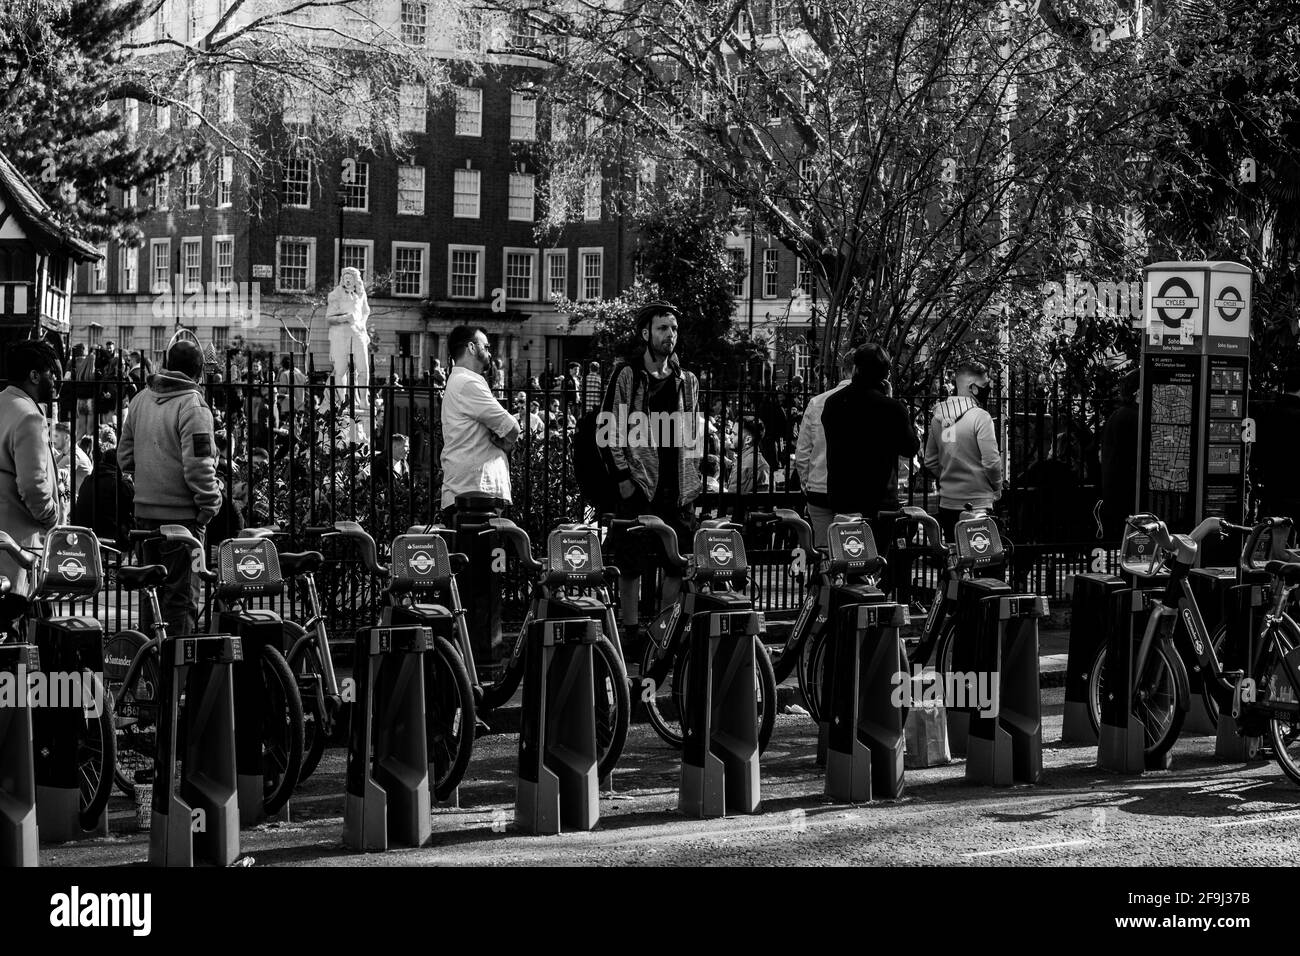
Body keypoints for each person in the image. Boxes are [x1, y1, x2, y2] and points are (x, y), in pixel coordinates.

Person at [601, 301, 702, 627]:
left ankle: (661, 630)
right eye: (662, 328)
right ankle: (629, 629)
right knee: (631, 564)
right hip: (640, 485)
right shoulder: (627, 374)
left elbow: (693, 433)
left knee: (677, 562)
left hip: (678, 488)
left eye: (673, 329)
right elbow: (608, 430)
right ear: (646, 333)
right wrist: (623, 480)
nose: (669, 335)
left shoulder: (687, 380)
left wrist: (696, 476)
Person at [118, 340, 222, 636]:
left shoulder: (140, 400)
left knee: (150, 596)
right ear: (199, 372)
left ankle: (151, 669)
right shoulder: (193, 405)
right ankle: (177, 677)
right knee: (180, 600)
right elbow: (199, 466)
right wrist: (210, 505)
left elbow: (124, 457)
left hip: (145, 517)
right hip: (183, 521)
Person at [822, 344, 920, 537]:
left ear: (856, 369)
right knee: (879, 559)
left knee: (848, 555)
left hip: (843, 497)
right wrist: (892, 403)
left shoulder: (834, 402)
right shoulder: (891, 408)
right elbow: (910, 448)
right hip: (880, 500)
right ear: (886, 376)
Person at [0, 340, 64, 593]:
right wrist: (53, 517)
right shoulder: (29, 416)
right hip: (20, 547)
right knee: (19, 626)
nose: (56, 381)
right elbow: (33, 485)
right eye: (53, 374)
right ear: (35, 376)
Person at [438, 325, 519, 521]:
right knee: (477, 551)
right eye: (486, 346)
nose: (490, 351)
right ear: (472, 348)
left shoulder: (462, 381)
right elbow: (512, 427)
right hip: (474, 495)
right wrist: (507, 443)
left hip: (474, 493)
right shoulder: (467, 383)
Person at [923, 359, 1003, 541]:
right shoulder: (980, 417)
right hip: (978, 501)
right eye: (984, 385)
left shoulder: (938, 417)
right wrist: (996, 487)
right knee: (987, 558)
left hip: (948, 501)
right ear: (972, 387)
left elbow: (930, 460)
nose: (987, 391)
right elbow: (991, 462)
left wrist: (949, 474)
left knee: (954, 554)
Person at [795, 349, 854, 547]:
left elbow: (803, 452)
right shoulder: (871, 402)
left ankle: (825, 575)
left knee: (823, 549)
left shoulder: (816, 402)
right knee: (852, 550)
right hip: (852, 489)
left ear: (844, 370)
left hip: (819, 486)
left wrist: (807, 482)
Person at [1255, 364, 1300, 524]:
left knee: (1272, 538)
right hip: (1295, 491)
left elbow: (1258, 451)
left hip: (1272, 489)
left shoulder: (1268, 412)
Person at [326, 266, 371, 405]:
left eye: (350, 278)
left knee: (363, 368)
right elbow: (329, 318)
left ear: (356, 280)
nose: (347, 281)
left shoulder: (361, 294)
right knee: (341, 370)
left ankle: (364, 400)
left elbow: (365, 311)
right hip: (340, 334)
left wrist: (361, 325)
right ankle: (344, 400)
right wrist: (345, 317)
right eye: (345, 278)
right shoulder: (335, 295)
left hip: (357, 334)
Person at [51, 421, 93, 515]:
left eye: (56, 436)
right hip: (75, 504)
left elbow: (51, 475)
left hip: (79, 508)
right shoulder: (65, 454)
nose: (53, 439)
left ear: (66, 437)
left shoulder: (73, 456)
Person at [277, 354, 307, 423]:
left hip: (288, 407)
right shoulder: (301, 375)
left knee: (288, 429)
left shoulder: (284, 374)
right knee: (298, 430)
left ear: (283, 365)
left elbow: (283, 390)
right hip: (300, 406)